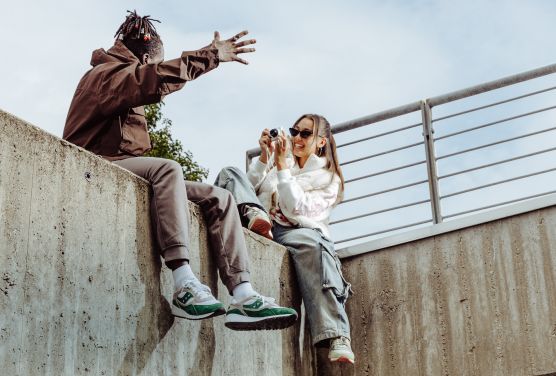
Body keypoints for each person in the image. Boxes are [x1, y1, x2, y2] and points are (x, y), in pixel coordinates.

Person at [63, 10, 297, 331]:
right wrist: (211, 55)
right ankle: (183, 282)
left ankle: (243, 294)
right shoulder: (106, 75)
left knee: (220, 196)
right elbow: (152, 78)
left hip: (123, 165)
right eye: (152, 61)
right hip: (92, 164)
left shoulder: (119, 75)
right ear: (145, 57)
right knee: (167, 169)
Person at [214, 114, 355, 363]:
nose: (296, 138)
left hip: (296, 229)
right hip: (261, 222)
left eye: (305, 133)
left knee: (316, 247)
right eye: (294, 131)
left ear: (321, 141)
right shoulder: (282, 159)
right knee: (229, 173)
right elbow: (246, 186)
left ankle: (337, 335)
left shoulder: (328, 179)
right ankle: (254, 214)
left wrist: (281, 168)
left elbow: (297, 208)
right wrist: (265, 157)